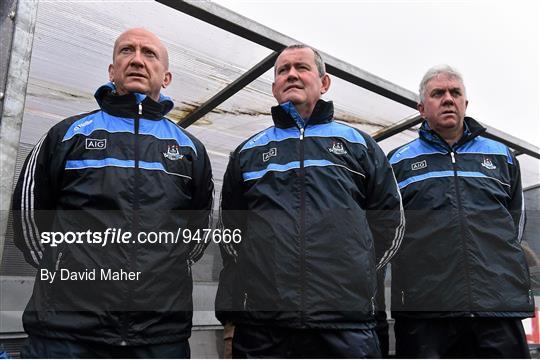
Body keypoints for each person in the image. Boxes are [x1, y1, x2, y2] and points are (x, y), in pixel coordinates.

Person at [11, 28, 214, 358]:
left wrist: (162, 272)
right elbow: (29, 223)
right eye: (126, 51)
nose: (136, 59)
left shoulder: (190, 149)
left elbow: (198, 235)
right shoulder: (66, 135)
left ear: (166, 77)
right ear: (111, 70)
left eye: (149, 54)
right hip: (66, 334)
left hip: (160, 336)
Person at [215, 44, 405, 358]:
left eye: (301, 67)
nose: (291, 74)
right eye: (282, 70)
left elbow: (391, 225)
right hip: (266, 327)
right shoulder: (248, 153)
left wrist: (354, 271)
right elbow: (231, 235)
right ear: (274, 86)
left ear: (324, 82)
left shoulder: (361, 146)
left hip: (346, 325)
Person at [388, 64, 533, 358]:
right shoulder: (397, 163)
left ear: (465, 103)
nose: (448, 99)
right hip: (426, 312)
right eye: (437, 93)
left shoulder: (500, 156)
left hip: (497, 308)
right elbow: (387, 232)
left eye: (455, 93)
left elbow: (514, 225)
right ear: (421, 108)